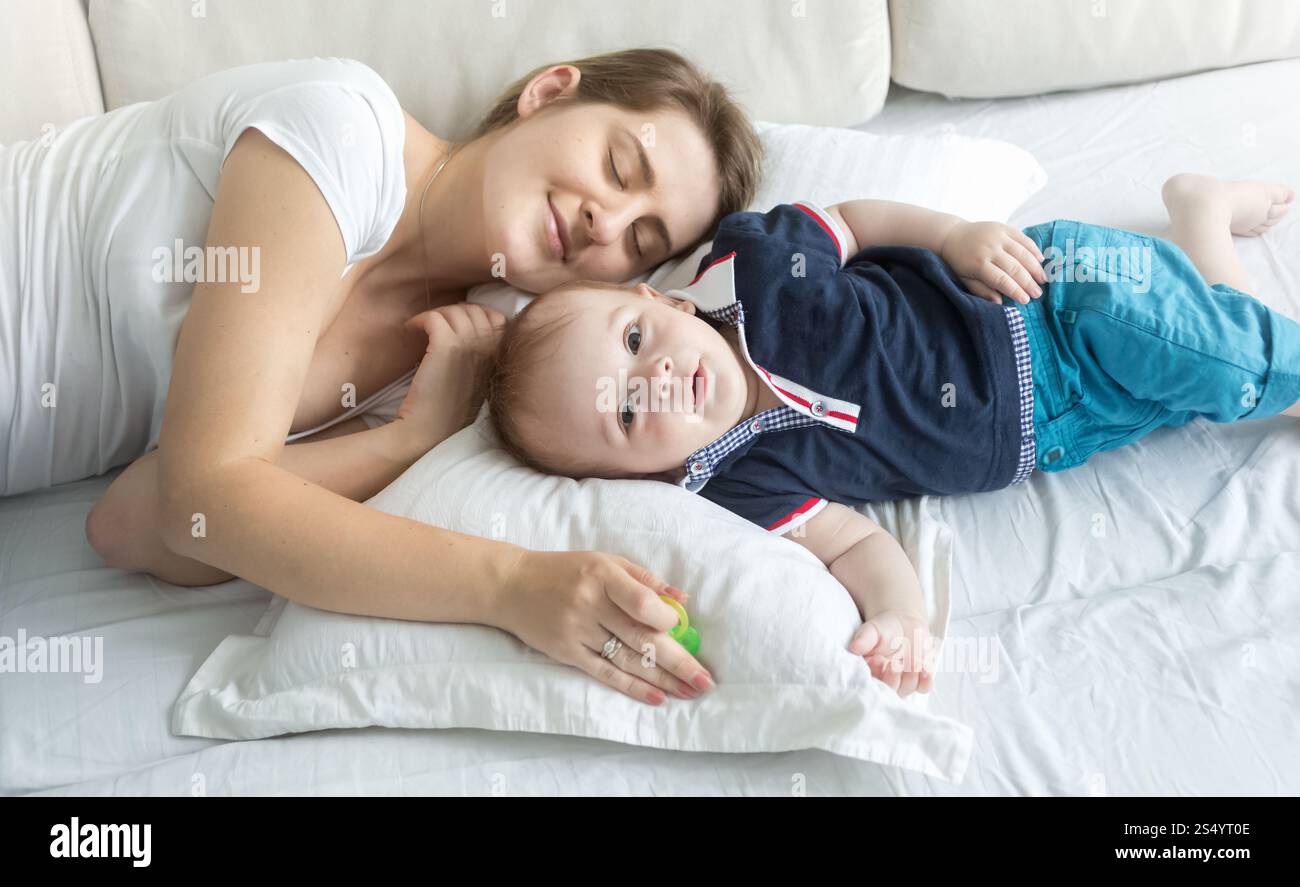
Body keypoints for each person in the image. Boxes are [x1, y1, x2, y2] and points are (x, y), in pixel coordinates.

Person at [0, 49, 765, 706]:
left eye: (642, 238)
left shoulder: (437, 368)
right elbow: (204, 491)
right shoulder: (343, 133)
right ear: (549, 92)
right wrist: (514, 588)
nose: (607, 219)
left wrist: (412, 438)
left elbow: (137, 521)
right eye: (617, 165)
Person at [485, 173, 1300, 698]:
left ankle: (1213, 255)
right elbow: (851, 546)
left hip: (1050, 304)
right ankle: (1203, 223)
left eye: (632, 341)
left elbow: (853, 221)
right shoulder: (738, 484)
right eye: (626, 413)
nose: (656, 377)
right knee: (1221, 380)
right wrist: (903, 618)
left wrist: (953, 235)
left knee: (1216, 357)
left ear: (657, 301)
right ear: (637, 474)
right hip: (1055, 432)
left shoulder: (754, 269)